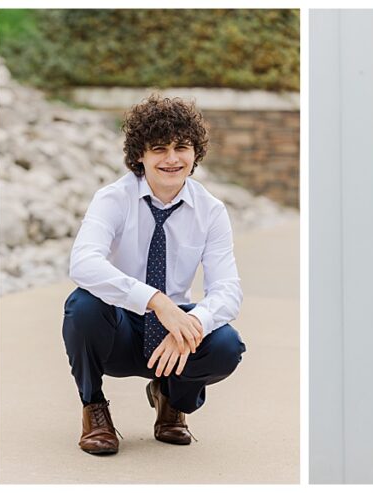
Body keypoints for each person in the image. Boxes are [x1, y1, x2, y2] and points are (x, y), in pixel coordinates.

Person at [63, 95, 246, 455]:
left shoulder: (210, 211)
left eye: (182, 147)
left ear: (196, 153)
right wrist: (154, 300)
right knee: (82, 305)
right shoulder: (113, 198)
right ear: (140, 156)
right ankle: (94, 408)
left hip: (173, 335)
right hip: (120, 329)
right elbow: (83, 262)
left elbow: (227, 290)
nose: (172, 159)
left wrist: (193, 326)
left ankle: (171, 400)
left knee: (226, 344)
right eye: (159, 149)